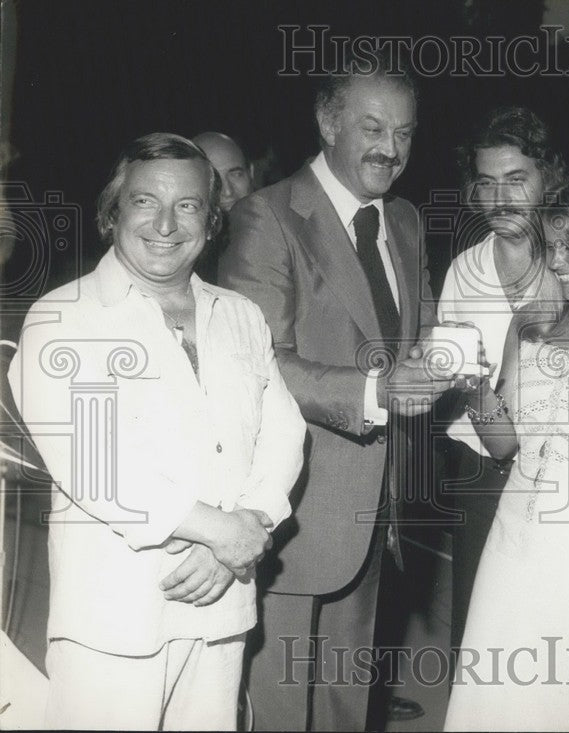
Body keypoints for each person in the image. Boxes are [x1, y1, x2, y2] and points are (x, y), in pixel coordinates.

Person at [8, 132, 306, 730]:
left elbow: (285, 434)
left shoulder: (241, 316)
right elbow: (96, 468)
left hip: (222, 610)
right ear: (112, 211)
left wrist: (249, 527)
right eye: (145, 202)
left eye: (189, 205)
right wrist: (226, 532)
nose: (167, 224)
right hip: (113, 621)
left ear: (212, 218)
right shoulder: (63, 318)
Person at [218, 51, 447, 730]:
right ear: (326, 120)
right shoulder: (268, 217)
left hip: (381, 512)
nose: (391, 148)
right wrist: (378, 391)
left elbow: (422, 331)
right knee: (283, 709)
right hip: (294, 513)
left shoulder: (402, 220)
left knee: (348, 706)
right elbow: (259, 366)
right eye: (373, 127)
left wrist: (450, 360)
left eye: (404, 133)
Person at [444, 172, 569, 732]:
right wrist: (472, 382)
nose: (558, 261)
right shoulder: (530, 322)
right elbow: (504, 440)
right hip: (514, 541)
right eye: (552, 244)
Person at [436, 105, 564, 654]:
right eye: (486, 183)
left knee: (551, 631)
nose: (502, 199)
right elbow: (450, 376)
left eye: (517, 180)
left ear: (548, 178)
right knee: (478, 632)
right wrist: (466, 379)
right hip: (483, 472)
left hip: (564, 475)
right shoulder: (464, 268)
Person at [191, 131, 254, 283]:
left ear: (251, 172)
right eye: (213, 180)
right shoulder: (186, 258)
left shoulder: (283, 234)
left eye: (236, 174)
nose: (227, 192)